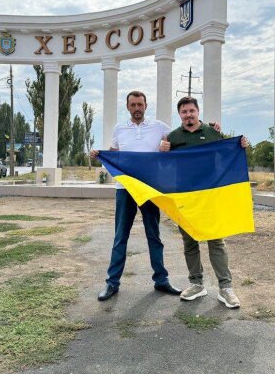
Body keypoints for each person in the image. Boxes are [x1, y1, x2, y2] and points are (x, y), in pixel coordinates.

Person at [91, 91, 182, 301]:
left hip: (149, 188)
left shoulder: (159, 126)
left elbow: (182, 136)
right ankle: (112, 283)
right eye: (133, 105)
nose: (137, 108)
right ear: (127, 107)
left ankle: (161, 280)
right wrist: (99, 154)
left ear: (146, 105)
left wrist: (208, 127)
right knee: (120, 237)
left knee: (154, 235)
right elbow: (114, 154)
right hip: (125, 189)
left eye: (140, 104)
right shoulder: (119, 129)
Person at [159, 96, 248, 309]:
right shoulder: (172, 137)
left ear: (197, 112)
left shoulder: (212, 133)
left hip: (210, 196)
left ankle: (225, 289)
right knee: (190, 243)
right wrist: (162, 152)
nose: (188, 115)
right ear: (179, 115)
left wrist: (241, 145)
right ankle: (196, 284)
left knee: (216, 241)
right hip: (185, 197)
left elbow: (228, 153)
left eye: (191, 111)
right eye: (184, 112)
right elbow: (163, 167)